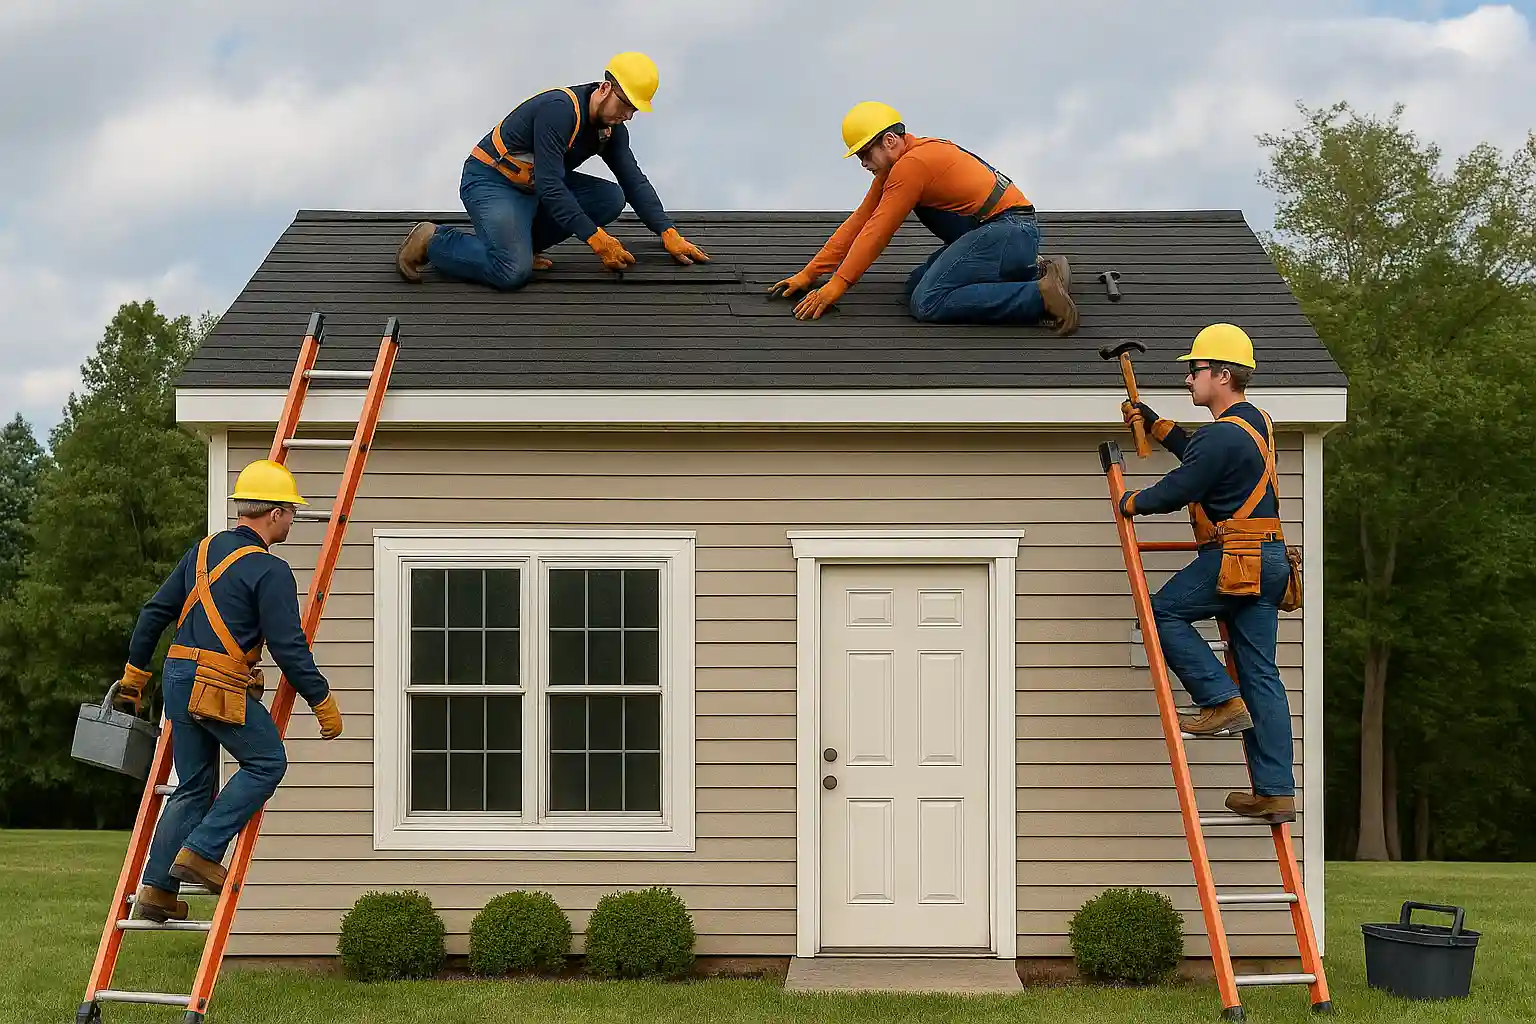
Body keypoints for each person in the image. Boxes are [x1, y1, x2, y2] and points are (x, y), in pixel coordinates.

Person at [109, 460, 343, 922]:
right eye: (291, 512)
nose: (293, 520)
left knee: (193, 786)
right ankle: (202, 851)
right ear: (274, 513)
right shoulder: (270, 570)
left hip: (177, 678)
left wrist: (135, 676)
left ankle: (156, 890)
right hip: (214, 684)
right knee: (267, 762)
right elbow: (289, 647)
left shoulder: (201, 552)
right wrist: (321, 699)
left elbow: (154, 613)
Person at [1116, 323, 1298, 824]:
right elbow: (1203, 456)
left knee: (1161, 612)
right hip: (1270, 559)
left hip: (1236, 557)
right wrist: (1156, 425)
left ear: (1222, 375)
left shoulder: (1220, 437)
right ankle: (1275, 792)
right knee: (1261, 673)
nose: (1188, 379)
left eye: (1195, 370)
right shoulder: (1254, 423)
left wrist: (1132, 501)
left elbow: (1182, 486)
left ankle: (1219, 700)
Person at [395, 52, 710, 289]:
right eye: (626, 104)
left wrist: (667, 232)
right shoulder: (560, 110)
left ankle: (522, 244)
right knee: (511, 272)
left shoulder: (610, 130)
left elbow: (633, 180)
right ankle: (433, 241)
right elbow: (551, 186)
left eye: (634, 109)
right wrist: (596, 239)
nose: (628, 115)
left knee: (611, 197)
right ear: (605, 88)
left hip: (534, 187)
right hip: (493, 182)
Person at [767, 100, 1077, 333]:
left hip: (1009, 231)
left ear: (890, 141)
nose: (863, 163)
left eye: (865, 153)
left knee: (927, 301)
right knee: (915, 286)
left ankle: (1040, 296)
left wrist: (837, 285)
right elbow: (860, 221)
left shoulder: (912, 166)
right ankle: (1032, 269)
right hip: (1002, 232)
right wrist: (809, 274)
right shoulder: (905, 163)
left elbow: (878, 231)